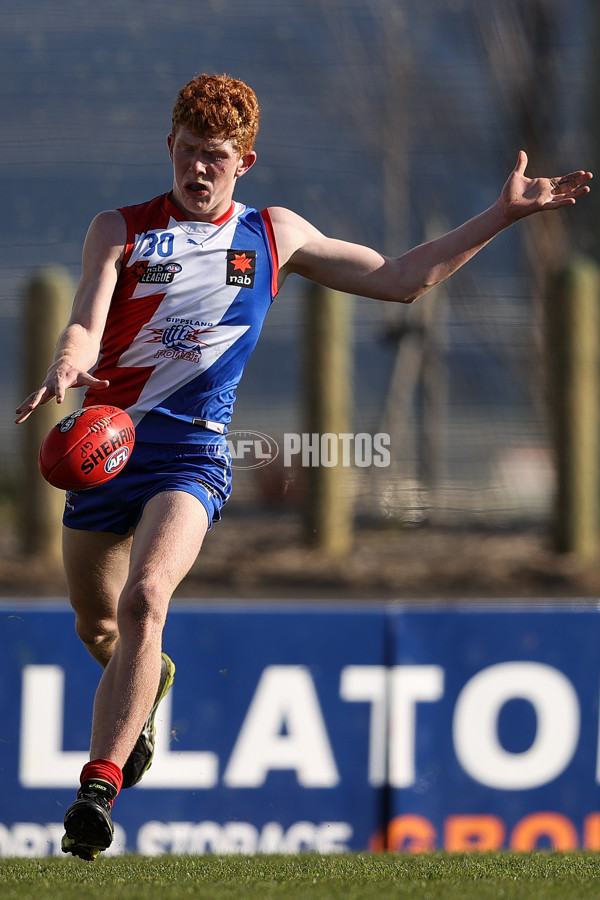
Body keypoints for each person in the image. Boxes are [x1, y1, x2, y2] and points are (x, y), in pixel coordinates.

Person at [15, 73, 592, 861]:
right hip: (108, 446)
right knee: (101, 624)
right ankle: (151, 684)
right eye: (187, 152)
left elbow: (397, 281)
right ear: (169, 147)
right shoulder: (119, 229)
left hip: (193, 453)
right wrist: (66, 366)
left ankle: (98, 790)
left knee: (149, 596)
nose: (197, 170)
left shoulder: (273, 234)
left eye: (215, 157)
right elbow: (86, 315)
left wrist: (502, 214)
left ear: (245, 161)